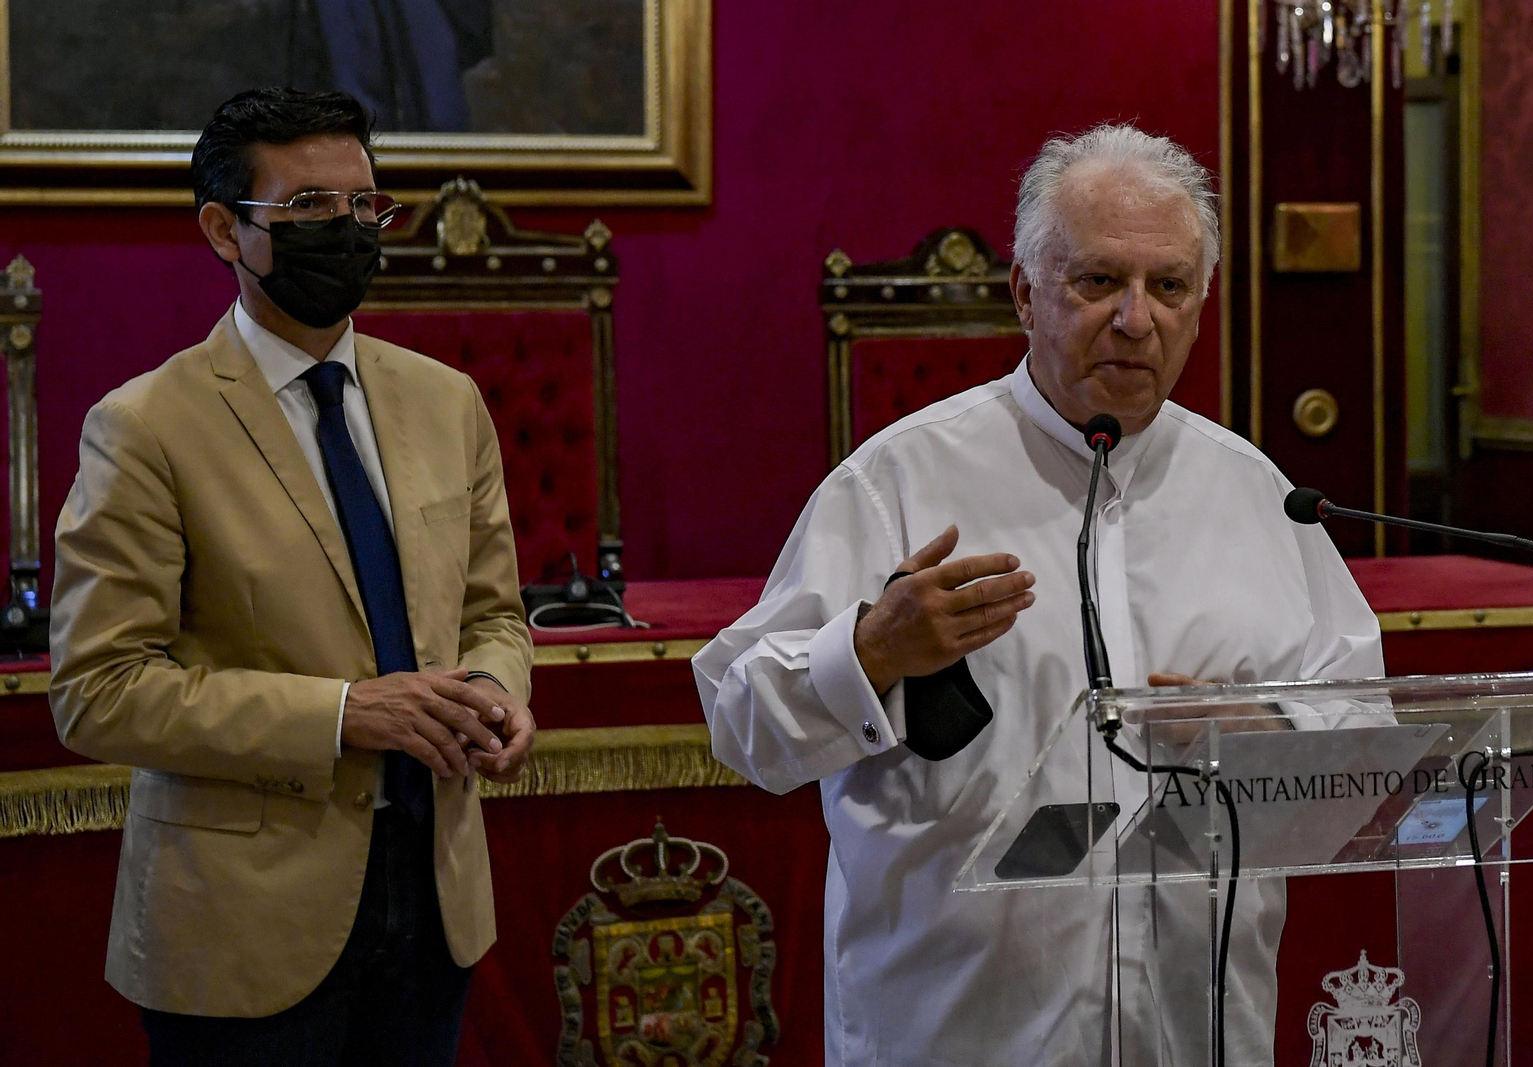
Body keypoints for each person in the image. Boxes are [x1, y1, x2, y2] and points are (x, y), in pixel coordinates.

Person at [693, 124, 1383, 1065]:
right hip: (958, 1031)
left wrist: (1258, 735)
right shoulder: (898, 481)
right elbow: (741, 723)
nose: (1137, 319)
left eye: (1168, 287)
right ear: (1025, 292)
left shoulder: (1261, 496)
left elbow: (1359, 742)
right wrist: (871, 650)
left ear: (1199, 303)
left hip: (1192, 1031)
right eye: (1099, 281)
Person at [49, 88, 535, 1066]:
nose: (347, 230)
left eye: (364, 207)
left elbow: (494, 612)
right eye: (310, 209)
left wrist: (494, 690)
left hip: (434, 895)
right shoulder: (145, 426)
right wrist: (343, 711)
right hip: (241, 918)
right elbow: (99, 692)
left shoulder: (447, 401)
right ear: (226, 230)